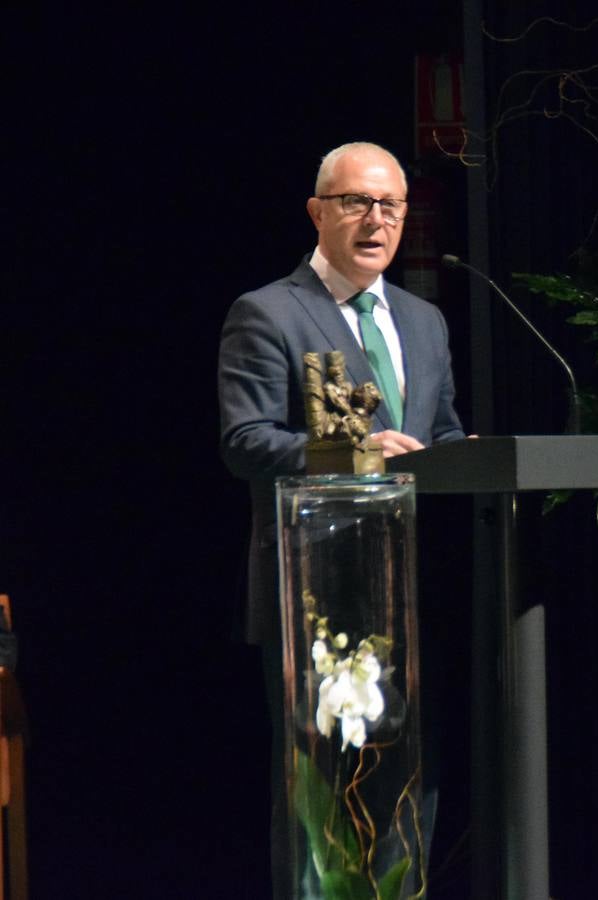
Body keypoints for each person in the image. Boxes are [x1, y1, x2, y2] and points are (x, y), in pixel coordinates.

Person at [216, 141, 465, 895]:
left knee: (407, 791)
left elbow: (440, 433)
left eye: (391, 205)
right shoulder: (269, 312)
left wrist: (464, 453)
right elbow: (246, 442)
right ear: (318, 212)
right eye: (357, 202)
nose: (376, 220)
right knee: (319, 802)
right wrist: (358, 454)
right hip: (315, 598)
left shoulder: (423, 321)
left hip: (406, 597)